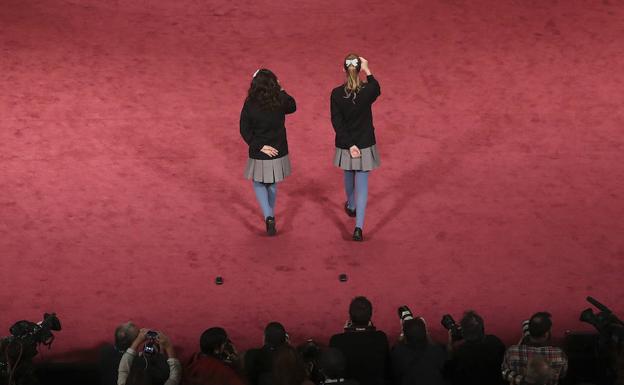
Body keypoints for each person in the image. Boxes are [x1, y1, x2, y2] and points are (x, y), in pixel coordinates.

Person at [330, 54, 381, 241]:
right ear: (359, 70)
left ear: (343, 69)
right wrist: (368, 70)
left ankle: (351, 205)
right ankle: (358, 227)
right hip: (366, 142)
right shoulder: (368, 90)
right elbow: (377, 88)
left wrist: (350, 145)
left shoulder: (336, 94)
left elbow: (337, 122)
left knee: (348, 174)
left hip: (346, 144)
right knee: (363, 184)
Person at [240, 68, 297, 236]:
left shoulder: (250, 103)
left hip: (259, 151)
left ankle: (269, 216)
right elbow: (293, 106)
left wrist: (257, 145)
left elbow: (244, 129)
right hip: (278, 149)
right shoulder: (279, 99)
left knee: (258, 182)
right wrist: (281, 89)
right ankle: (270, 215)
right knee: (272, 183)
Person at [329, 296, 389, 385]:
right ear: (370, 316)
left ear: (350, 315)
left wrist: (345, 334)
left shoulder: (336, 340)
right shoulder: (381, 337)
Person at [502, 312, 568, 385]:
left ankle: (530, 331)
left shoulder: (512, 351)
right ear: (546, 334)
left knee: (525, 324)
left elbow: (504, 372)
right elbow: (563, 375)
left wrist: (520, 379)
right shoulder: (559, 354)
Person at [444, 311, 506, 385]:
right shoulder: (495, 341)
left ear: (463, 333)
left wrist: (450, 345)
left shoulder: (460, 352)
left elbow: (448, 374)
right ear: (483, 329)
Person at [391, 317, 447, 385]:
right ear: (425, 333)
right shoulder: (437, 351)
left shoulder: (398, 354)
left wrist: (399, 341)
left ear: (405, 338)